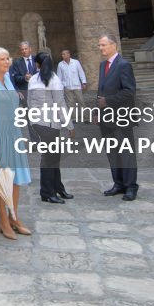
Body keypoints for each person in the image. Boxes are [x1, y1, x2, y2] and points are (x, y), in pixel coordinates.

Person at [0, 46, 32, 240]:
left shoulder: (8, 80)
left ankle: (14, 217)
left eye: (8, 58)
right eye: (2, 59)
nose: (7, 61)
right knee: (1, 179)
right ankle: (3, 220)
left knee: (16, 178)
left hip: (13, 133)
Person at [97, 33, 139, 201]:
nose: (100, 48)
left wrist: (108, 101)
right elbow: (101, 91)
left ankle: (131, 186)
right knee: (112, 152)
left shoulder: (124, 65)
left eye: (103, 45)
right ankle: (118, 183)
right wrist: (97, 112)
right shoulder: (102, 65)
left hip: (121, 117)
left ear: (113, 45)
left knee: (126, 152)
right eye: (99, 45)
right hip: (106, 118)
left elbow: (129, 92)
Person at [28, 52, 72, 204]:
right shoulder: (54, 80)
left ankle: (58, 187)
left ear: (37, 64)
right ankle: (47, 192)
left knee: (54, 157)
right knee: (49, 158)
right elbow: (60, 104)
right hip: (49, 123)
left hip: (40, 123)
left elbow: (29, 102)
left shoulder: (33, 79)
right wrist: (70, 125)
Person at [57, 49, 88, 116]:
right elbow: (59, 77)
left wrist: (84, 82)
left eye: (65, 54)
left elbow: (81, 72)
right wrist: (60, 87)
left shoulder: (76, 62)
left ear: (69, 54)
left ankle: (86, 117)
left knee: (81, 101)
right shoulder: (60, 64)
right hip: (67, 87)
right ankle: (73, 117)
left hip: (77, 86)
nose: (63, 55)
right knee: (70, 103)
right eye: (62, 54)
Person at [10, 40, 35, 106]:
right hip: (25, 92)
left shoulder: (36, 60)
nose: (24, 51)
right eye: (22, 50)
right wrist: (24, 78)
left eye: (25, 49)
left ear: (30, 49)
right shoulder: (17, 63)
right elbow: (15, 78)